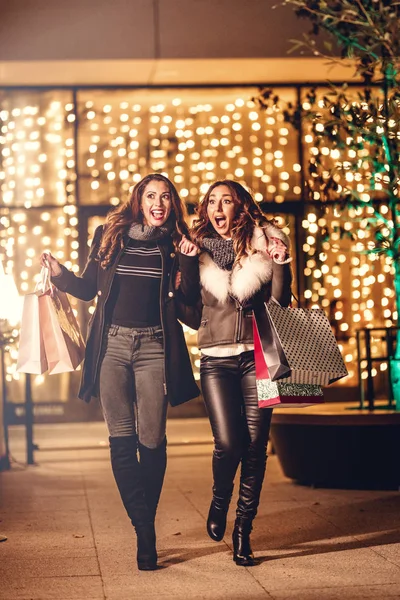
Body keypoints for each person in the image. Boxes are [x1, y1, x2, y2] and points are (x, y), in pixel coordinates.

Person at [40, 173, 199, 571]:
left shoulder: (177, 244)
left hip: (154, 348)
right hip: (111, 346)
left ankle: (143, 525)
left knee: (153, 439)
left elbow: (190, 302)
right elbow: (87, 287)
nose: (158, 203)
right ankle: (146, 533)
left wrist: (190, 261)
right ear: (138, 201)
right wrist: (59, 274)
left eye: (165, 196)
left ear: (172, 203)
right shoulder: (110, 235)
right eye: (151, 196)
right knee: (121, 439)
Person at [178, 180, 292, 566]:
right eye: (212, 201)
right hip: (216, 359)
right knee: (229, 443)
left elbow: (280, 302)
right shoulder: (197, 248)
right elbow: (189, 307)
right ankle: (220, 498)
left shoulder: (265, 241)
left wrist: (279, 261)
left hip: (258, 357)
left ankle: (243, 530)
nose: (218, 207)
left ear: (241, 207)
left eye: (227, 201)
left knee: (257, 446)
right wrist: (183, 264)